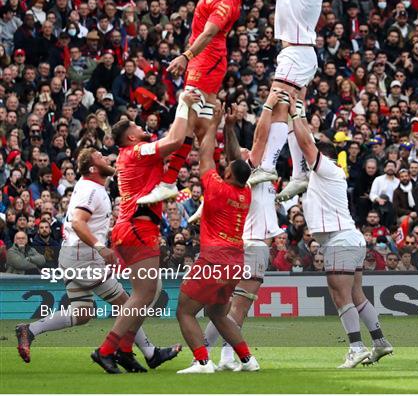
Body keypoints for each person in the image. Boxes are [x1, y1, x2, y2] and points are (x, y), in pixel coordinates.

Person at [16, 148, 179, 372]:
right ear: (93, 168)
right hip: (83, 258)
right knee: (127, 304)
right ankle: (149, 352)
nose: (106, 158)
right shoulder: (92, 190)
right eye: (100, 157)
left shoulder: (90, 187)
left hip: (73, 254)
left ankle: (29, 330)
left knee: (82, 313)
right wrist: (102, 248)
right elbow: (78, 222)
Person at [137, 0, 244, 205]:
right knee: (203, 123)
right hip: (204, 59)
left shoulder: (226, 1)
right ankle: (208, 192)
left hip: (208, 59)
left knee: (189, 121)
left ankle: (144, 162)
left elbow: (209, 34)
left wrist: (186, 56)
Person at [237, 0, 335, 202]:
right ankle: (299, 174)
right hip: (298, 52)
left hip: (298, 51)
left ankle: (265, 163)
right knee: (293, 112)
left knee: (274, 103)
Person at [91, 90, 199, 374]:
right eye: (138, 127)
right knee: (143, 294)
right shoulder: (137, 152)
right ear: (130, 137)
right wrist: (184, 104)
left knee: (147, 293)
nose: (143, 128)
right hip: (137, 228)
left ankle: (125, 351)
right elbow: (174, 141)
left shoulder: (134, 154)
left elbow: (178, 147)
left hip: (132, 227)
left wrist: (193, 122)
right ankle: (105, 351)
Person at [287, 93, 393, 368]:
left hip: (340, 239)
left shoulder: (328, 170)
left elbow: (306, 144)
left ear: (324, 157)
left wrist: (296, 113)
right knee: (356, 295)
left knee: (340, 295)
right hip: (348, 238)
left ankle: (356, 347)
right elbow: (300, 150)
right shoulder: (319, 179)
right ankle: (380, 343)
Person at [204, 92, 284, 370]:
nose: (249, 153)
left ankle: (208, 353)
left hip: (243, 245)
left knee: (225, 308)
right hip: (253, 245)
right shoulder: (251, 175)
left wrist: (228, 126)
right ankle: (222, 356)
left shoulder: (247, 179)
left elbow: (235, 155)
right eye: (246, 155)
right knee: (236, 307)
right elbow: (241, 151)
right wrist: (270, 106)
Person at [176, 104, 258, 374]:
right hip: (235, 261)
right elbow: (237, 164)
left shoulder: (216, 189)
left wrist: (213, 125)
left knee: (184, 311)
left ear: (227, 175)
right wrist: (229, 127)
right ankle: (248, 359)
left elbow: (205, 156)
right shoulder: (245, 193)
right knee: (217, 313)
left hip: (214, 259)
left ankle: (202, 362)